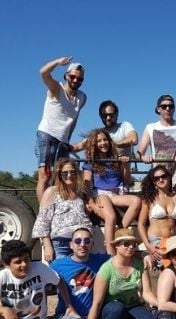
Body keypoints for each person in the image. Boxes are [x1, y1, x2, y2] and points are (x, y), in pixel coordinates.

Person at [49, 226, 110, 319]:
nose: (82, 244)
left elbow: (122, 258)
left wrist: (145, 256)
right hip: (68, 315)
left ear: (92, 244)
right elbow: (39, 280)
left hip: (91, 318)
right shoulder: (57, 265)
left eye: (87, 240)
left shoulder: (101, 260)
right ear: (71, 244)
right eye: (77, 241)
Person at [86, 227, 154, 319]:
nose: (131, 247)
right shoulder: (107, 268)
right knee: (116, 309)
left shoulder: (139, 264)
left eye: (134, 244)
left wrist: (160, 304)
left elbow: (147, 293)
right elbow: (97, 302)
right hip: (111, 308)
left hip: (133, 305)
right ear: (116, 245)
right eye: (126, 244)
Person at [34, 57, 86, 200]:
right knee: (45, 175)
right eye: (72, 76)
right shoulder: (57, 88)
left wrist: (68, 140)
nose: (76, 80)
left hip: (63, 141)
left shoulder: (82, 98)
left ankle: (60, 210)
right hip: (47, 135)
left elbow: (73, 119)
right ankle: (43, 215)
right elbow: (43, 73)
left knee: (63, 176)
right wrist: (57, 62)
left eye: (79, 79)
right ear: (66, 75)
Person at [82, 128, 139, 247]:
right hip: (101, 193)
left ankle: (119, 231)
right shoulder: (91, 161)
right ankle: (109, 248)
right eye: (99, 141)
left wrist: (125, 165)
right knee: (111, 216)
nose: (103, 143)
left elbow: (127, 180)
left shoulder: (115, 158)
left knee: (137, 201)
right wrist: (91, 202)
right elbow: (86, 183)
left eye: (105, 139)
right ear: (94, 145)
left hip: (116, 193)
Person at [33, 158, 95, 261]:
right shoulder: (52, 192)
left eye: (72, 172)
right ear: (59, 174)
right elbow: (42, 221)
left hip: (83, 243)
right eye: (65, 173)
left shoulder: (80, 192)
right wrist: (47, 246)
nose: (69, 175)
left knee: (82, 275)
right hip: (62, 243)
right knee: (62, 275)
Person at [137, 166, 176, 266]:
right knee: (167, 267)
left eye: (163, 176)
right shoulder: (149, 199)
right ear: (153, 182)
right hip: (156, 241)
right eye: (156, 178)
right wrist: (148, 246)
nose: (160, 179)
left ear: (169, 177)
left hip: (174, 241)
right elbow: (141, 224)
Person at [138, 94, 176, 181]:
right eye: (164, 106)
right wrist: (144, 158)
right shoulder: (150, 127)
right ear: (158, 109)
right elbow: (140, 153)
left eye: (170, 106)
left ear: (174, 109)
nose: (168, 108)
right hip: (158, 178)